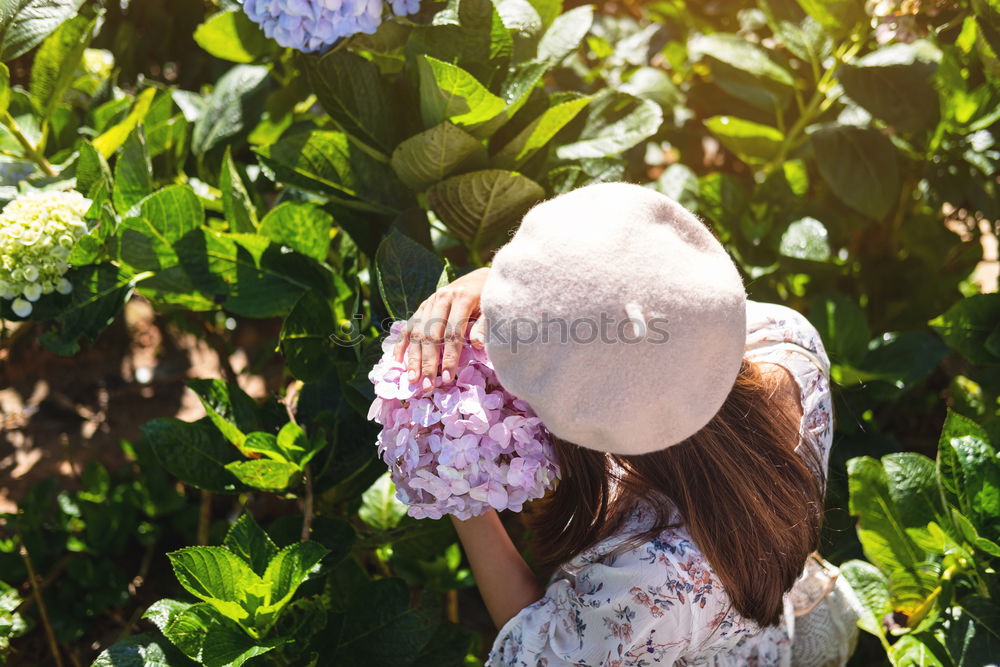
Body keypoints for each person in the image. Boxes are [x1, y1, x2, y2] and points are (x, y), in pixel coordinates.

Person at [393, 183, 861, 666]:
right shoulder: (785, 346)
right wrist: (504, 288)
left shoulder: (647, 579)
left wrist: (459, 494)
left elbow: (538, 650)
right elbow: (647, 313)